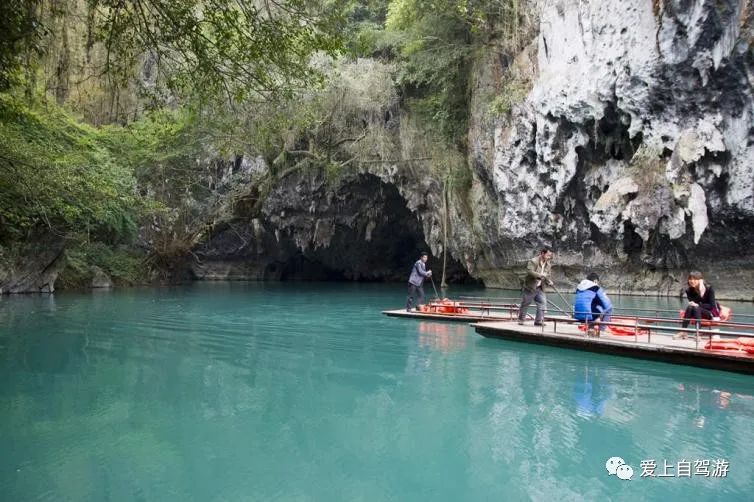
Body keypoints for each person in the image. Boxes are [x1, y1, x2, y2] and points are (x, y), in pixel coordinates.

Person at [674, 271, 719, 339]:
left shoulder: (709, 289)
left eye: (695, 279)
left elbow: (711, 306)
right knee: (691, 307)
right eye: (690, 279)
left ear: (700, 280)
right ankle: (684, 332)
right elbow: (694, 303)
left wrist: (701, 290)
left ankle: (698, 332)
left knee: (695, 307)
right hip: (695, 312)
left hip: (709, 312)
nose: (692, 281)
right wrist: (699, 295)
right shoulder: (689, 290)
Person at [517, 247, 554, 326]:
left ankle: (538, 321)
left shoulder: (548, 264)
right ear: (542, 253)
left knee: (542, 303)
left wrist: (549, 281)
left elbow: (547, 275)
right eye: (547, 255)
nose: (549, 257)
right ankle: (521, 320)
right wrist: (540, 275)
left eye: (550, 255)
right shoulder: (533, 261)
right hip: (530, 287)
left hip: (540, 287)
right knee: (526, 303)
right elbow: (530, 272)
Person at [573, 272, 613, 337]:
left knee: (592, 307)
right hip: (588, 316)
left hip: (577, 315)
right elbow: (607, 304)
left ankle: (591, 329)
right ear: (595, 281)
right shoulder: (595, 287)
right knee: (609, 308)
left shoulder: (579, 287)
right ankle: (602, 331)